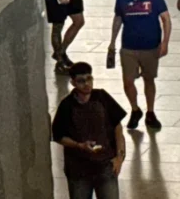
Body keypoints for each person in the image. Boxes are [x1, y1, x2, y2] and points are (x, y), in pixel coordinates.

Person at [51, 62, 126, 199]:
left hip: (105, 165)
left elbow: (118, 127)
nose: (86, 84)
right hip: (78, 170)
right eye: (81, 81)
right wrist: (79, 145)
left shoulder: (102, 97)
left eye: (89, 79)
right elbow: (58, 136)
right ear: (73, 83)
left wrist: (119, 158)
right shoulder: (66, 106)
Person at [110, 0, 171, 130]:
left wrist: (165, 42)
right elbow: (118, 19)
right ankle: (135, 109)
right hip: (129, 47)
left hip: (150, 47)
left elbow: (166, 19)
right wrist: (112, 42)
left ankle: (150, 112)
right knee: (128, 81)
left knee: (149, 79)